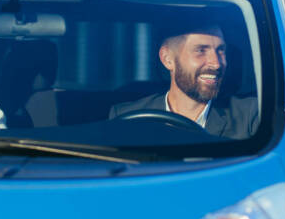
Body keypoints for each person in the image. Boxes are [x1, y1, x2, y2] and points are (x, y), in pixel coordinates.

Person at [109, 21, 258, 139]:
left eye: (221, 50)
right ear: (167, 59)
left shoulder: (250, 115)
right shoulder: (126, 118)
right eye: (201, 50)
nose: (217, 63)